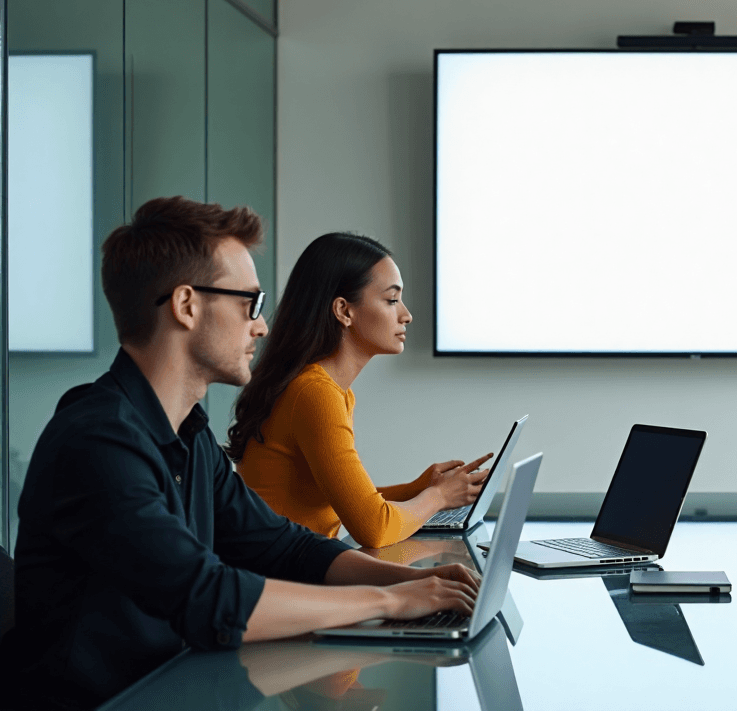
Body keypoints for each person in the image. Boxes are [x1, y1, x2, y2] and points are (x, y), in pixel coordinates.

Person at [0, 197, 481, 710]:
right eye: (248, 303)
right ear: (186, 306)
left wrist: (415, 579)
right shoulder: (98, 441)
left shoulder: (190, 437)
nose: (262, 325)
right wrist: (391, 601)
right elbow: (209, 597)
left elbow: (285, 547)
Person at [229, 233, 488, 548]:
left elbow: (350, 506)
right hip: (282, 572)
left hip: (296, 564)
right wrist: (438, 497)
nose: (406, 315)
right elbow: (374, 528)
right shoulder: (315, 393)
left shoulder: (332, 390)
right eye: (392, 300)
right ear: (344, 311)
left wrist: (421, 489)